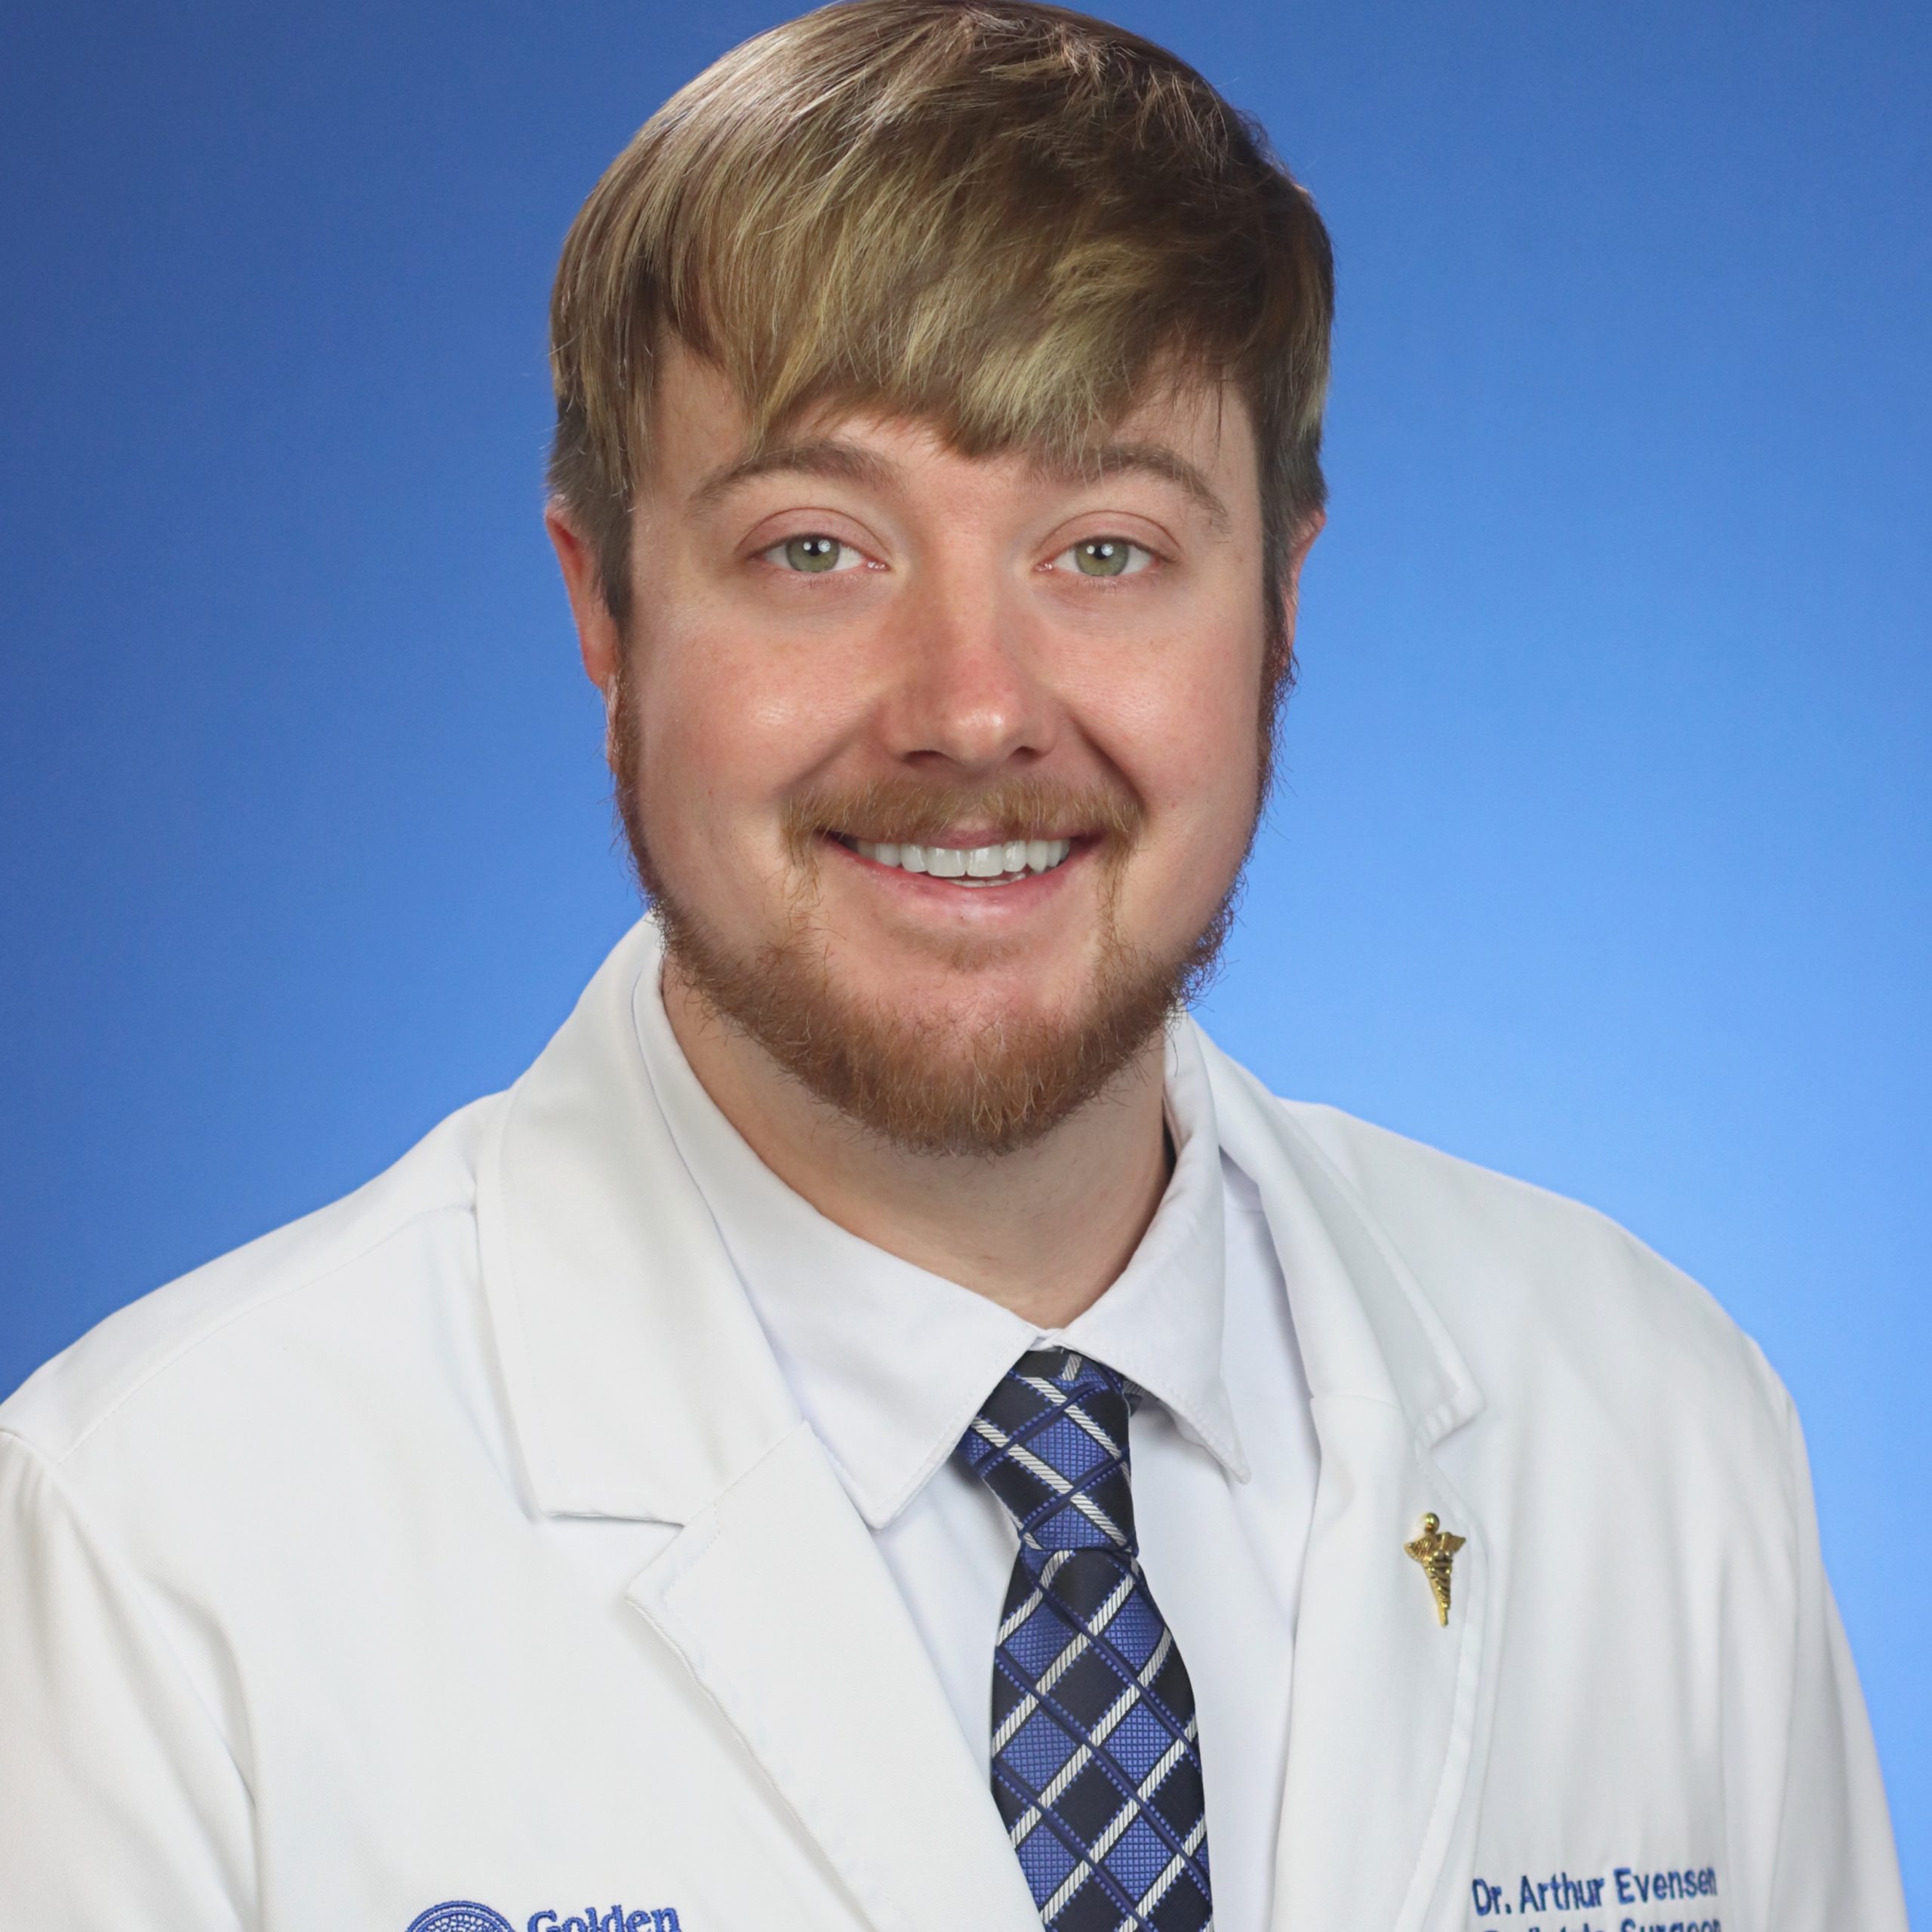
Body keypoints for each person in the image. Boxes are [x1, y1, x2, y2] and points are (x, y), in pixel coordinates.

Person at [0, 4, 1905, 1927]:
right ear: (605, 610)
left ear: (1280, 602)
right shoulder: (149, 1553)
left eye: (1105, 549)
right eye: (816, 548)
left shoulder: (1652, 1426)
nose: (973, 709)